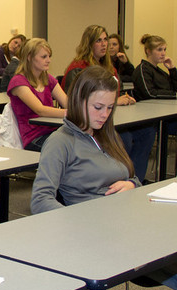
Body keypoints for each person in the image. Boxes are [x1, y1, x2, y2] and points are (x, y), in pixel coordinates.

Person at [31, 66, 139, 214]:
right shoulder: (60, 142)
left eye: (110, 107)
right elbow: (40, 200)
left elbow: (132, 176)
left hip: (121, 214)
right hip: (89, 222)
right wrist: (76, 220)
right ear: (79, 100)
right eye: (98, 107)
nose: (105, 115)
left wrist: (132, 184)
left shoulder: (108, 134)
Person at [63, 25, 148, 179]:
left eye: (105, 40)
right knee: (124, 138)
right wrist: (116, 102)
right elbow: (74, 101)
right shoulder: (77, 68)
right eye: (98, 41)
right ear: (89, 44)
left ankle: (134, 179)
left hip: (111, 118)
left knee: (147, 131)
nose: (104, 44)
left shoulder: (109, 67)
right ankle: (113, 179)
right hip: (90, 122)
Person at [7, 38, 68, 151]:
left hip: (53, 132)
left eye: (49, 56)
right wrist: (71, 113)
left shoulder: (47, 78)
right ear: (29, 57)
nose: (48, 60)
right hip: (34, 137)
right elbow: (40, 110)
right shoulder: (18, 82)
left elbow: (67, 102)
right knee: (71, 150)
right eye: (44, 57)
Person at [132, 33, 176, 100]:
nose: (163, 53)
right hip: (148, 107)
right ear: (149, 51)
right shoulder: (143, 69)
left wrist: (172, 69)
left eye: (164, 49)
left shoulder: (160, 72)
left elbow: (174, 88)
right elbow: (150, 93)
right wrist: (173, 94)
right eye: (159, 50)